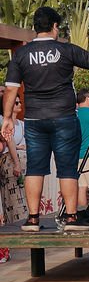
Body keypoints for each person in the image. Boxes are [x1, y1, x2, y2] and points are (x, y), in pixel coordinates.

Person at [1, 7, 89, 233]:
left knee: (35, 168)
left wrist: (7, 118)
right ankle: (71, 218)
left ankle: (32, 220)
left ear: (35, 27)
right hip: (64, 117)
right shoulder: (66, 49)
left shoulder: (21, 55)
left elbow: (11, 89)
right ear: (55, 26)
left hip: (34, 119)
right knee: (67, 168)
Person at [0, 90, 27, 225]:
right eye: (15, 103)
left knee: (22, 197)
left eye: (19, 102)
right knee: (12, 198)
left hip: (22, 163)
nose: (19, 104)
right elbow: (9, 141)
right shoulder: (2, 120)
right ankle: (15, 225)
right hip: (10, 162)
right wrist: (16, 163)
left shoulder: (21, 124)